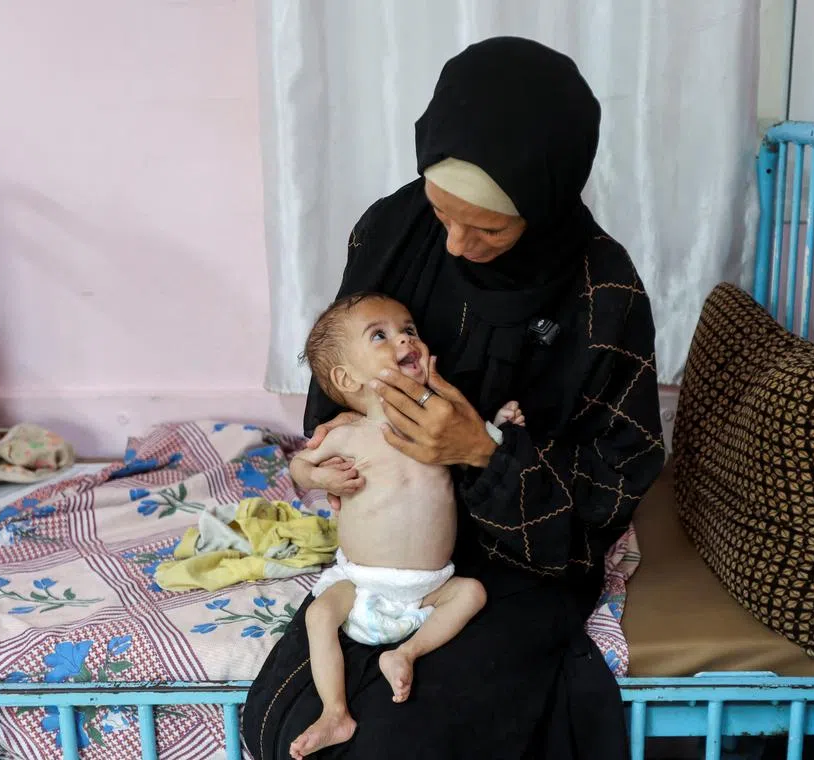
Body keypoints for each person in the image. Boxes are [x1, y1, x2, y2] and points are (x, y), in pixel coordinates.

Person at [243, 36, 665, 759]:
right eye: (444, 213)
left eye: (490, 227)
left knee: (388, 744)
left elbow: (610, 490)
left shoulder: (604, 292)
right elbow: (336, 386)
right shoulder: (391, 230)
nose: (458, 246)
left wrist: (481, 452)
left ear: (547, 199)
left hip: (522, 564)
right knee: (281, 723)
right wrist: (329, 468)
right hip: (387, 547)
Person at [288, 292, 522, 758]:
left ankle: (407, 653)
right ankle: (334, 712)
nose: (403, 339)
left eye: (408, 329)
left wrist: (495, 426)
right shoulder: (348, 434)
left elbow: (474, 444)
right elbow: (298, 466)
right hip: (362, 585)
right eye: (380, 335)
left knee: (472, 593)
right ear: (346, 377)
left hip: (429, 588)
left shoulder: (438, 419)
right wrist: (317, 475)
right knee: (318, 615)